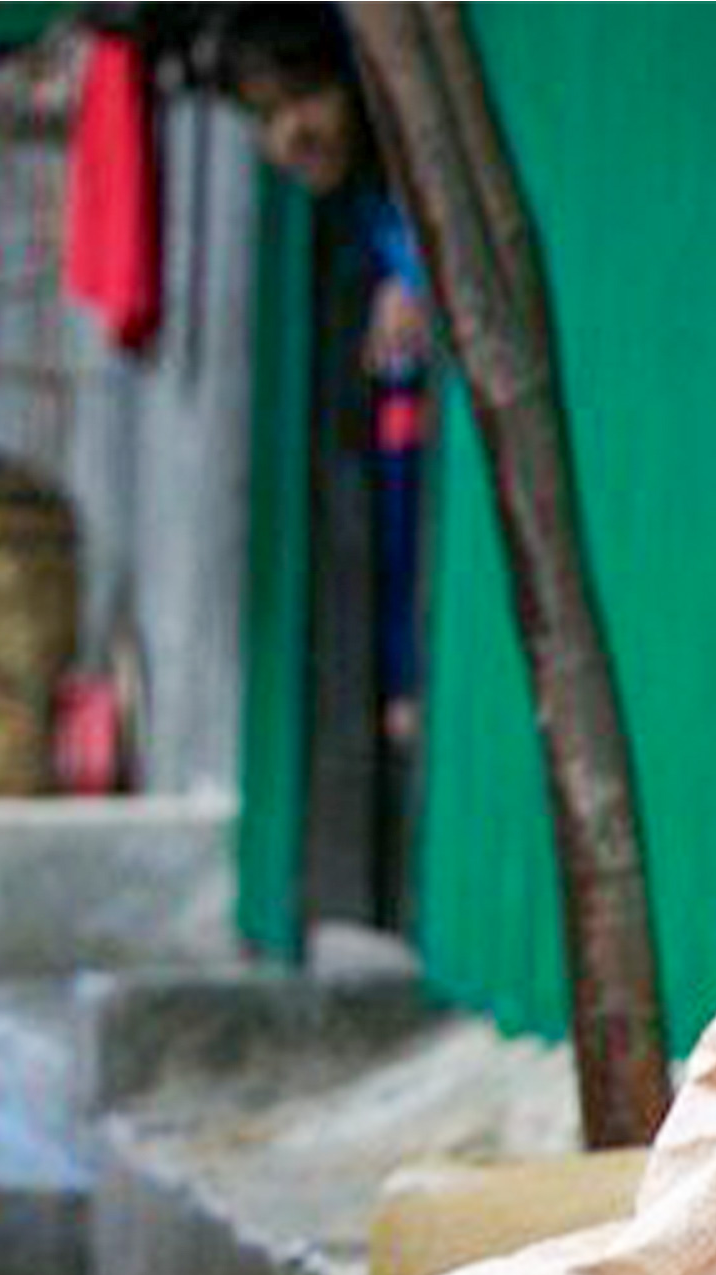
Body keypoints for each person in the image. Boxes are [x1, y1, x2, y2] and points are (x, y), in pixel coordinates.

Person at [217, 6, 434, 754]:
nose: (290, 136)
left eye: (304, 98)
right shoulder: (363, 216)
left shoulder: (413, 172)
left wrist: (417, 279)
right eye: (267, 116)